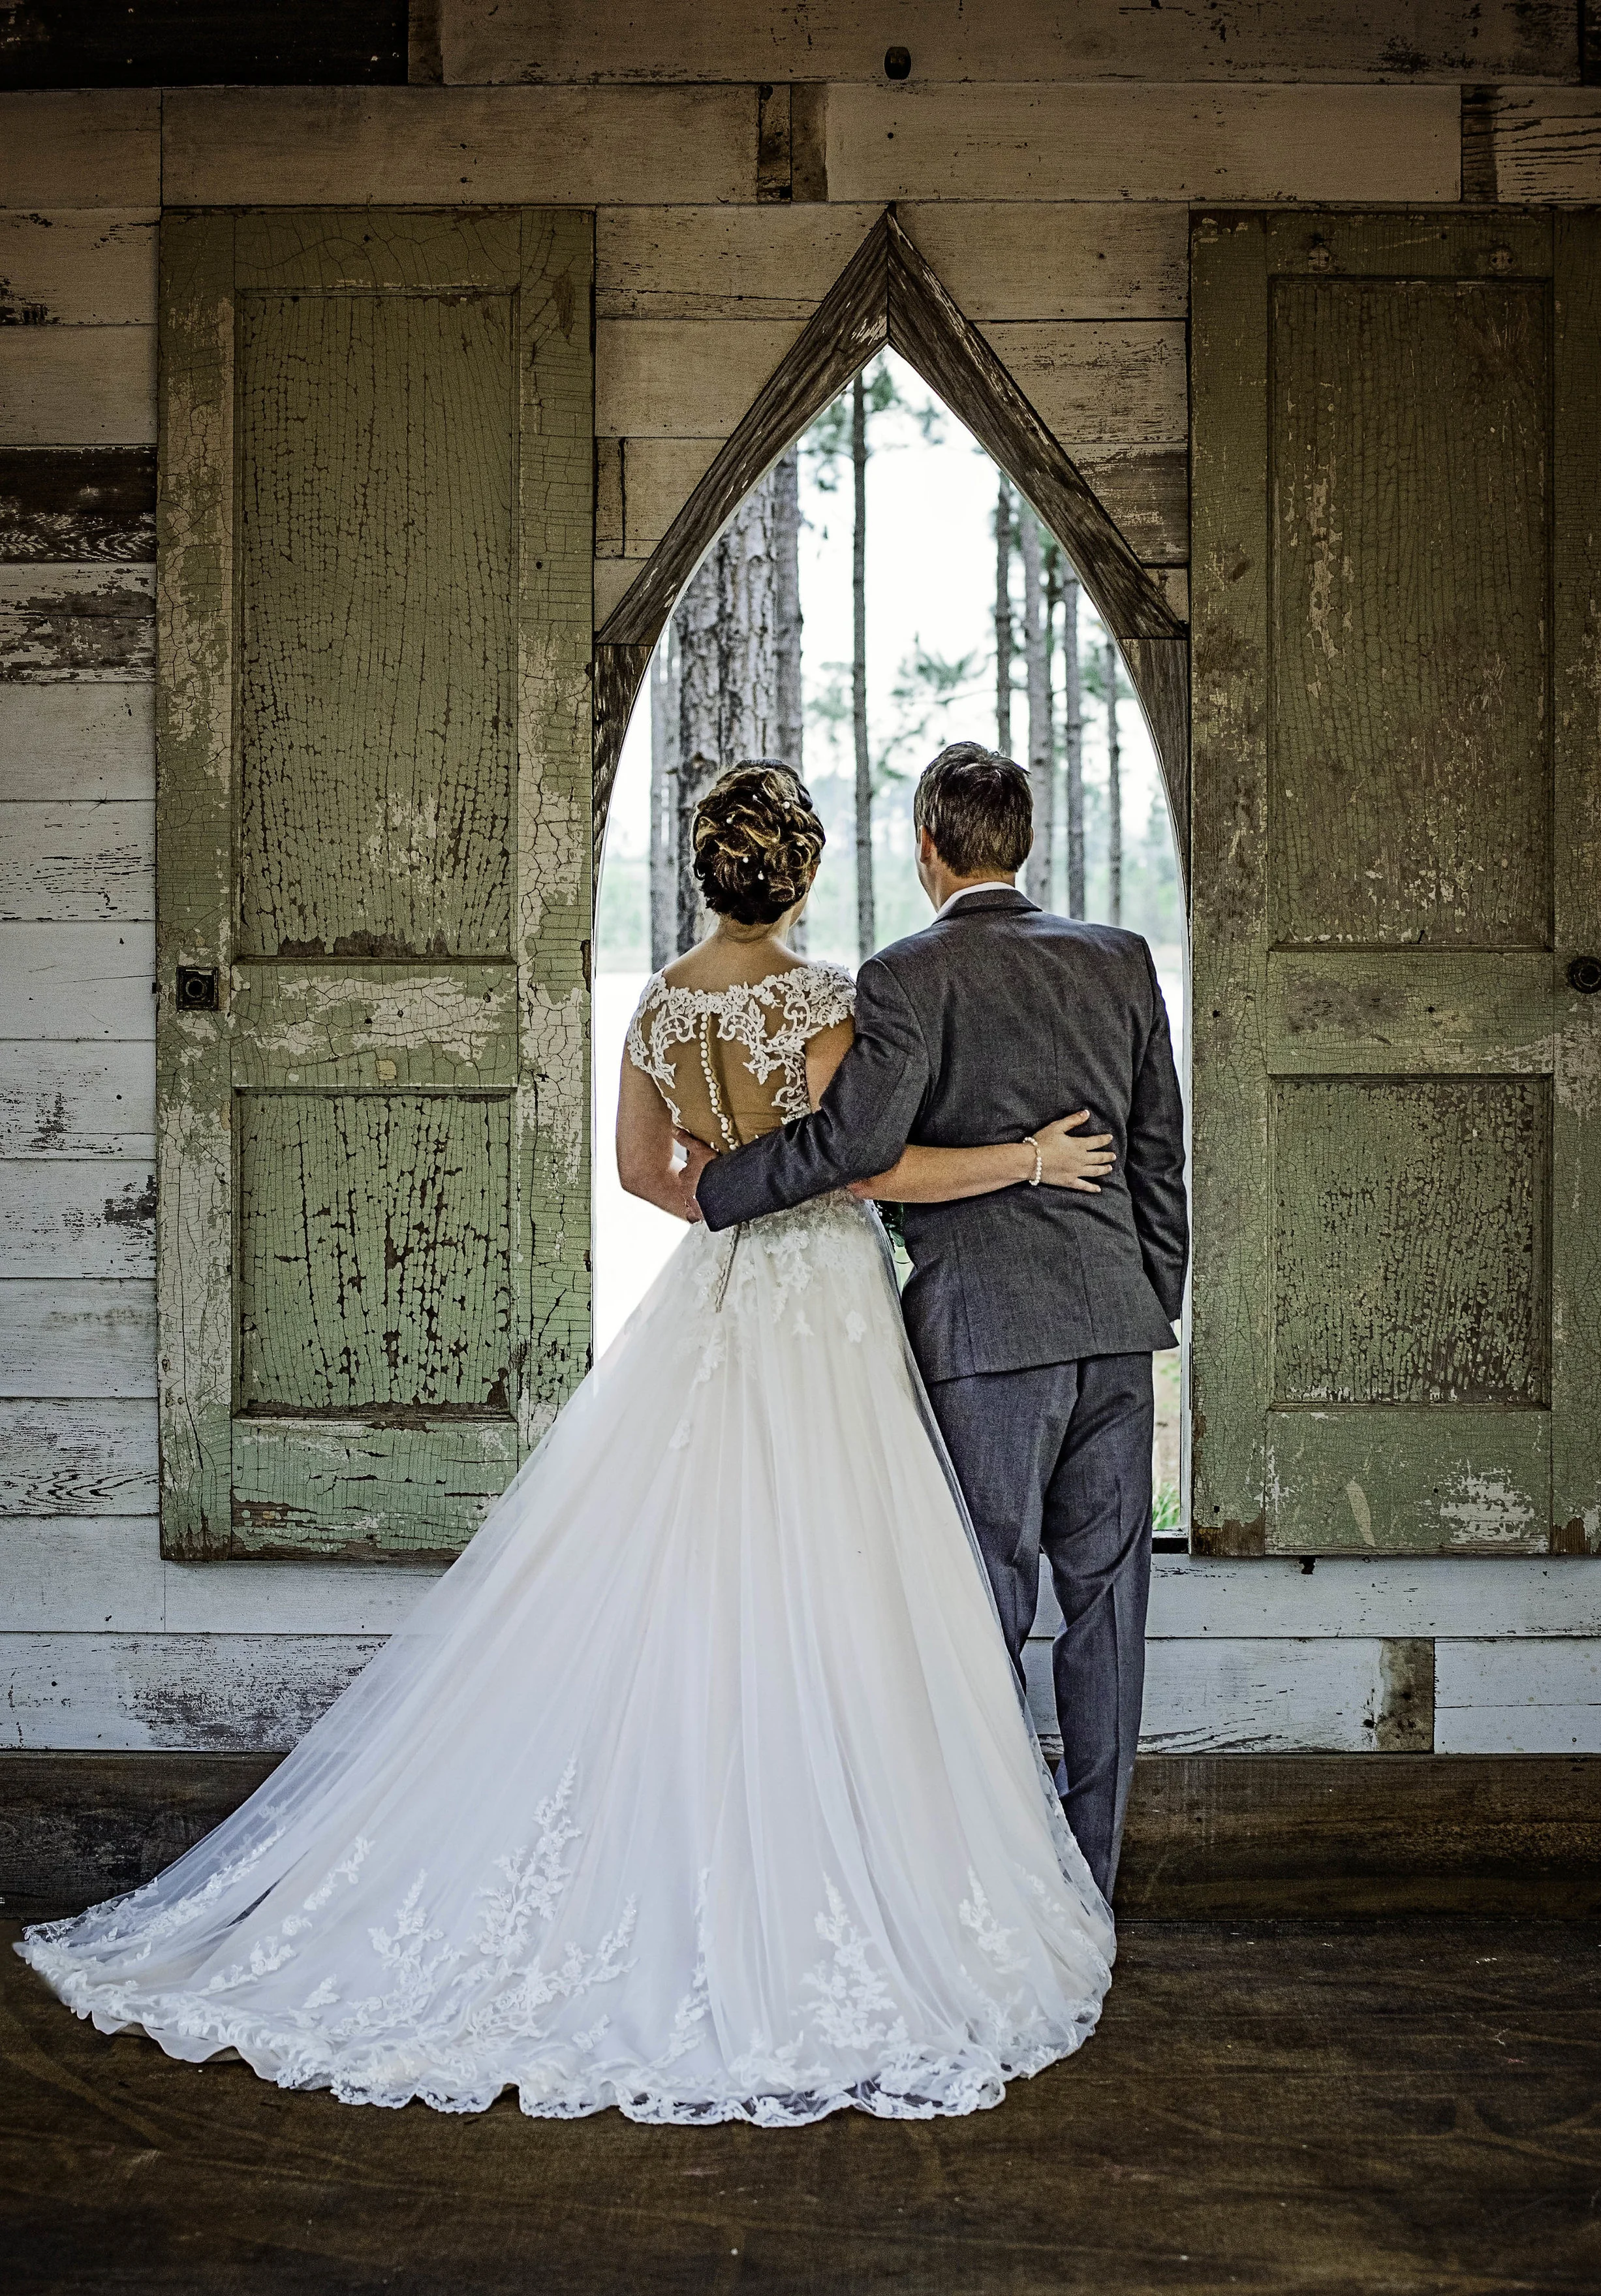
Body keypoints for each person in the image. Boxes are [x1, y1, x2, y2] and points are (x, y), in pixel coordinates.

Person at [18, 761, 1119, 2128]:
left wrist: (726, 1207)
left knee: (681, 1559)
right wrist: (1019, 1163)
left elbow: (643, 1175)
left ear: (706, 872)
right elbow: (864, 1163)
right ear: (810, 872)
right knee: (836, 1567)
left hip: (715, 1297)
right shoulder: (833, 998)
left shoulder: (661, 1002)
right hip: (825, 1302)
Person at [694, 743, 1189, 1900]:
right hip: (1117, 1328)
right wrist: (1147, 1297)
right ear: (1025, 842)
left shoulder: (905, 976)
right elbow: (1160, 1158)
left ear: (926, 847)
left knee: (985, 1608)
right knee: (1108, 1614)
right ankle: (1091, 1886)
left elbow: (856, 1148)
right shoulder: (1120, 959)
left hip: (984, 1338)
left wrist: (723, 1189)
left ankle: (995, 1885)